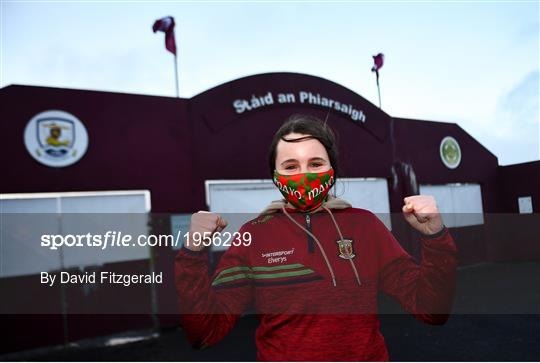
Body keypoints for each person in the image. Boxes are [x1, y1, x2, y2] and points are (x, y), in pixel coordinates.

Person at [175, 114, 459, 361]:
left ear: (331, 170)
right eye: (290, 166)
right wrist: (192, 252)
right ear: (275, 176)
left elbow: (431, 311)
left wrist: (435, 237)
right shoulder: (254, 235)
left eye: (315, 163)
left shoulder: (366, 226)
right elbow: (205, 332)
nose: (304, 175)